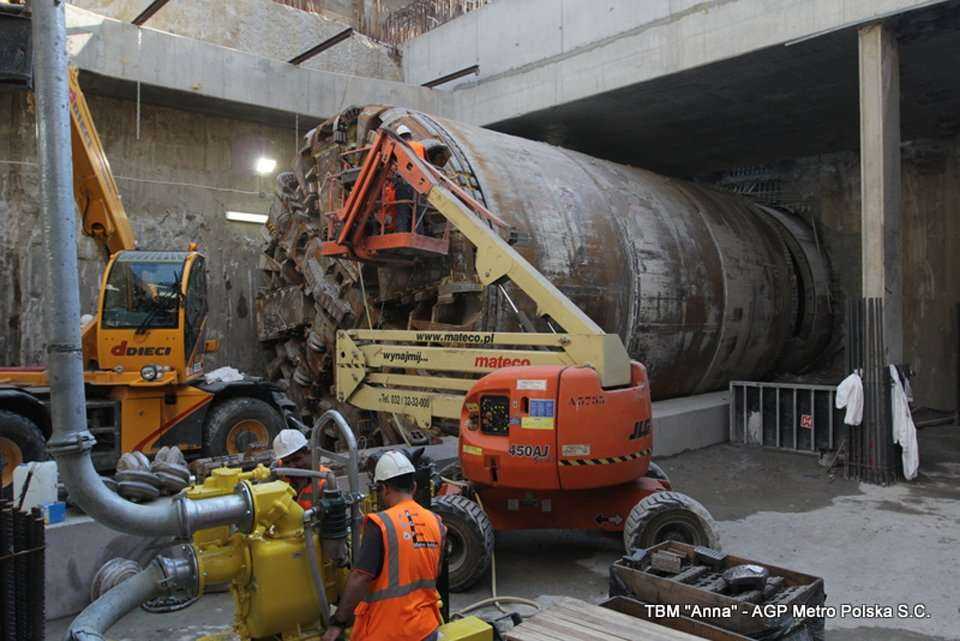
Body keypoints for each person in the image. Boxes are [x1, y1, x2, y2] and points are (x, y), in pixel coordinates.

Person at [322, 451, 445, 641]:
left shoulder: (380, 524)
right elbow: (433, 571)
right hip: (425, 628)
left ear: (385, 489)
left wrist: (338, 622)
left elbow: (360, 578)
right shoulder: (436, 522)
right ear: (413, 486)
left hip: (388, 631)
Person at [272, 429, 329, 509]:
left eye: (296, 459)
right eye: (287, 462)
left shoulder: (325, 481)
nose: (292, 467)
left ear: (309, 453)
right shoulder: (277, 469)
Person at [392, 124, 427, 233]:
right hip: (419, 184)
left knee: (402, 210)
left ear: (400, 137)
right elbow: (427, 164)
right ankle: (419, 234)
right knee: (418, 211)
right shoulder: (420, 146)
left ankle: (401, 233)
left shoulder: (399, 148)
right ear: (410, 135)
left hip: (404, 183)